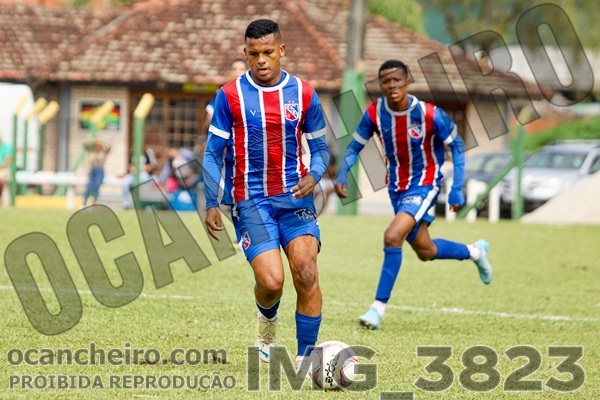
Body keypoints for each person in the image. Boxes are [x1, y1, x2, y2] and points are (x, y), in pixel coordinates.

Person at [203, 19, 330, 369]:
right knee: (272, 282)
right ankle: (266, 328)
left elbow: (321, 149)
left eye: (269, 53)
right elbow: (213, 153)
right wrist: (212, 202)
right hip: (250, 201)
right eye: (254, 54)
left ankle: (305, 360)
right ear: (245, 53)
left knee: (306, 273)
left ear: (281, 51)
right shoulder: (229, 95)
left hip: (295, 199)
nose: (261, 60)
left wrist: (314, 175)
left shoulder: (304, 93)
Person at [335, 60, 493, 330]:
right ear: (380, 85)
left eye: (397, 80)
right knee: (425, 250)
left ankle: (377, 309)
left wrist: (456, 188)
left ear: (408, 81)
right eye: (386, 81)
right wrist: (342, 174)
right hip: (396, 188)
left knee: (392, 236)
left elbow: (457, 145)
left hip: (425, 183)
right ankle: (475, 252)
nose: (391, 85)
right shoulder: (375, 113)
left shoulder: (429, 114)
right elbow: (353, 147)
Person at [204, 59, 248, 131]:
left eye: (241, 69)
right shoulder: (223, 93)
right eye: (234, 69)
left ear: (247, 72)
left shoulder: (254, 92)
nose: (237, 72)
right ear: (230, 72)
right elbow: (209, 119)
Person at [82, 138, 111, 207]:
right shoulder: (91, 151)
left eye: (99, 145)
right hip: (93, 169)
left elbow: (109, 146)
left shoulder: (103, 152)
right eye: (96, 145)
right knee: (89, 187)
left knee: (96, 186)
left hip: (100, 170)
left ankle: (94, 203)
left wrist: (102, 141)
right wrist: (92, 141)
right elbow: (84, 144)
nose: (98, 146)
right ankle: (84, 203)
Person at [313, 143, 336, 216]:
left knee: (327, 192)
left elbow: (333, 172)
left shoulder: (334, 159)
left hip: (330, 180)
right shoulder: (321, 159)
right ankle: (310, 208)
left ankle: (324, 210)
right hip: (322, 180)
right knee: (315, 192)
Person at [0, 135, 13, 200]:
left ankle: (3, 200)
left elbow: (7, 162)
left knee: (1, 181)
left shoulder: (7, 147)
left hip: (5, 169)